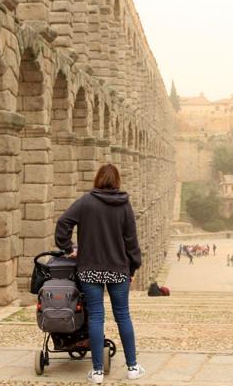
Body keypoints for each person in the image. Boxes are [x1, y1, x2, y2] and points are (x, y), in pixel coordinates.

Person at [55, 164, 146, 384]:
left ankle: (97, 372)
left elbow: (63, 222)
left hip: (90, 268)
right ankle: (132, 367)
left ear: (97, 179)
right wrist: (132, 267)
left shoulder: (86, 202)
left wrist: (68, 249)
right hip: (118, 269)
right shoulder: (124, 205)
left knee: (96, 316)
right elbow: (131, 241)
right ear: (117, 181)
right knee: (122, 315)